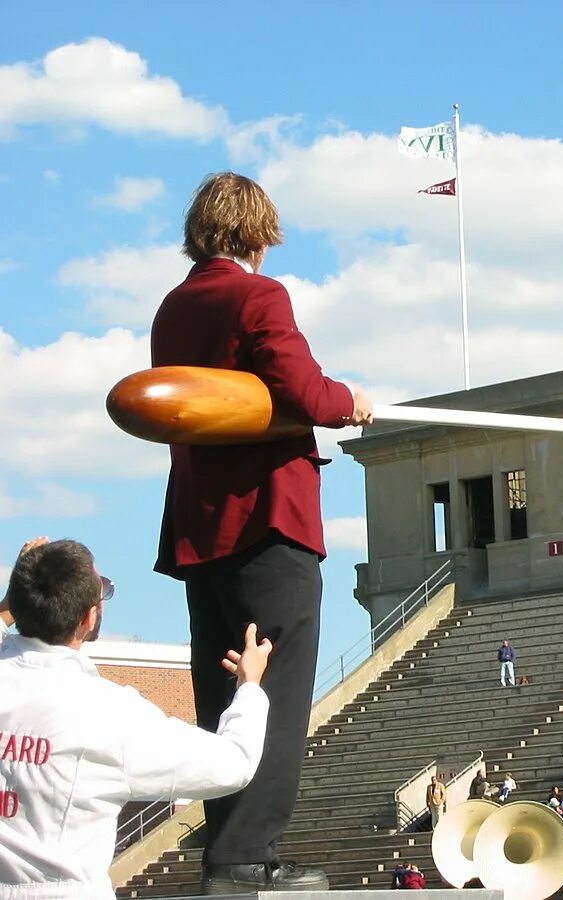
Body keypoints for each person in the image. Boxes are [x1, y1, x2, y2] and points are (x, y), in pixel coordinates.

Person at [151, 172, 373, 893]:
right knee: (273, 694)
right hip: (268, 522)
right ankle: (249, 859)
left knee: (226, 696)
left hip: (200, 529)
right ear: (256, 233)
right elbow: (305, 391)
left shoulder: (173, 307)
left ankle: (228, 852)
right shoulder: (257, 295)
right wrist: (351, 402)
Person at [0, 538, 271, 897]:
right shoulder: (109, 713)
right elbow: (234, 764)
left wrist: (14, 598)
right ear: (88, 617)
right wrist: (249, 686)